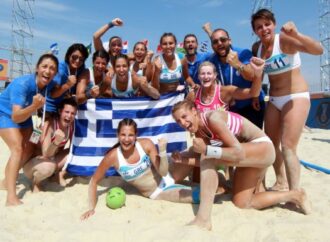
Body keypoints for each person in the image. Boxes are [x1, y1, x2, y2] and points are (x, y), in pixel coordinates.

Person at [171, 100, 311, 230]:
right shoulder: (199, 131)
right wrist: (183, 161)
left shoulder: (213, 119)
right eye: (178, 121)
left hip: (262, 149)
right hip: (248, 157)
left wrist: (207, 150)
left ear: (195, 111)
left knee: (208, 155)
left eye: (184, 116)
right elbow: (205, 160)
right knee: (242, 202)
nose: (182, 123)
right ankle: (295, 195)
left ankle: (203, 219)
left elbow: (237, 153)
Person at [251, 9, 323, 191]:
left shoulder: (283, 40)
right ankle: (281, 181)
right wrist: (255, 94)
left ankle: (294, 192)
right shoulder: (256, 48)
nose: (264, 29)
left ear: (274, 24)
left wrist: (297, 34)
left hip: (295, 96)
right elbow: (258, 76)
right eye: (259, 27)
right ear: (255, 31)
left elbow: (318, 50)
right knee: (271, 143)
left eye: (267, 24)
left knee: (288, 147)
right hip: (274, 99)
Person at [80, 118, 200, 220]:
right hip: (157, 192)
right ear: (117, 135)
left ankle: (210, 177)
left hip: (170, 174)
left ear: (136, 135)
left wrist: (162, 151)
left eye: (130, 135)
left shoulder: (146, 144)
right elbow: (94, 181)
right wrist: (91, 208)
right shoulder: (112, 157)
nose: (126, 139)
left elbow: (163, 172)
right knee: (199, 196)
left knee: (196, 152)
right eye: (123, 135)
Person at [181, 58, 264, 183]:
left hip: (225, 141)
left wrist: (258, 75)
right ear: (198, 76)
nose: (206, 76)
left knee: (227, 183)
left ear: (215, 75)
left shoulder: (225, 91)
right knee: (197, 181)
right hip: (205, 141)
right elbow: (183, 114)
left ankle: (226, 172)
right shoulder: (193, 95)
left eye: (209, 73)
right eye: (202, 74)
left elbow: (253, 93)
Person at [0, 53, 59, 206]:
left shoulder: (49, 85)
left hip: (25, 116)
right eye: (44, 66)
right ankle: (11, 198)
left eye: (52, 68)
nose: (48, 70)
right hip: (6, 114)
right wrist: (34, 107)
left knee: (32, 146)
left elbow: (64, 83)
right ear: (37, 68)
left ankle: (7, 181)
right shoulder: (23, 84)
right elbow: (15, 117)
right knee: (17, 148)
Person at [204, 23, 266, 129]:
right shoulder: (211, 61)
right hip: (230, 108)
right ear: (212, 45)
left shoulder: (243, 53)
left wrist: (238, 64)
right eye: (215, 42)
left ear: (230, 40)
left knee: (254, 141)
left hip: (252, 104)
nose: (219, 43)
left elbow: (252, 76)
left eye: (223, 40)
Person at [23, 98, 77, 192]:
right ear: (60, 112)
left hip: (51, 158)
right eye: (67, 112)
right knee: (48, 166)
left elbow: (73, 148)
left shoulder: (71, 126)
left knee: (74, 152)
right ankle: (36, 183)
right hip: (34, 163)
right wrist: (56, 142)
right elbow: (46, 154)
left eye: (73, 113)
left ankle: (57, 175)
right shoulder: (48, 125)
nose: (69, 116)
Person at [46, 43, 89, 115]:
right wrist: (67, 85)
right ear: (68, 55)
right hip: (51, 107)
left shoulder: (81, 69)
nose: (77, 61)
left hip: (66, 108)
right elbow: (53, 94)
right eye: (74, 57)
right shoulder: (61, 69)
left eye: (81, 59)